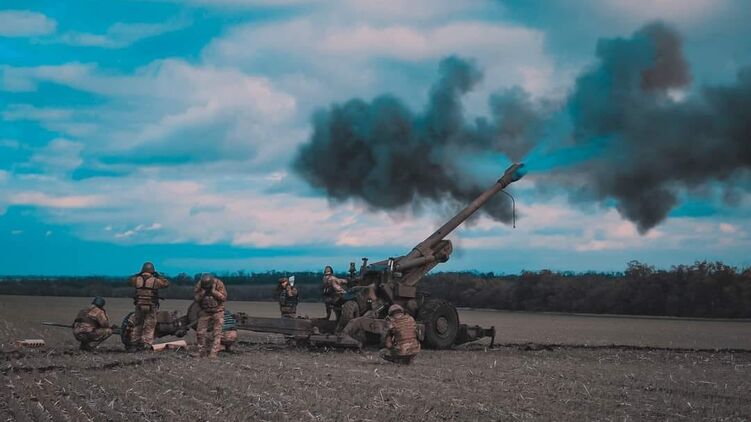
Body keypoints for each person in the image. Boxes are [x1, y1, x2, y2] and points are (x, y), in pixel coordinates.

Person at [128, 261, 169, 351]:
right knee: (150, 325)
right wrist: (159, 276)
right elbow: (166, 284)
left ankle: (134, 344)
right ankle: (146, 344)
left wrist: (138, 274)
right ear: (152, 270)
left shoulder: (136, 279)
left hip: (139, 305)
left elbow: (129, 280)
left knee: (137, 324)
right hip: (151, 305)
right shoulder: (155, 280)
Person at [192, 273, 227, 358]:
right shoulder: (200, 284)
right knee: (200, 332)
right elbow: (196, 298)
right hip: (205, 311)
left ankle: (214, 353)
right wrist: (202, 293)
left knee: (217, 333)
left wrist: (214, 292)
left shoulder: (218, 283)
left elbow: (224, 297)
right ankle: (201, 352)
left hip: (218, 311)